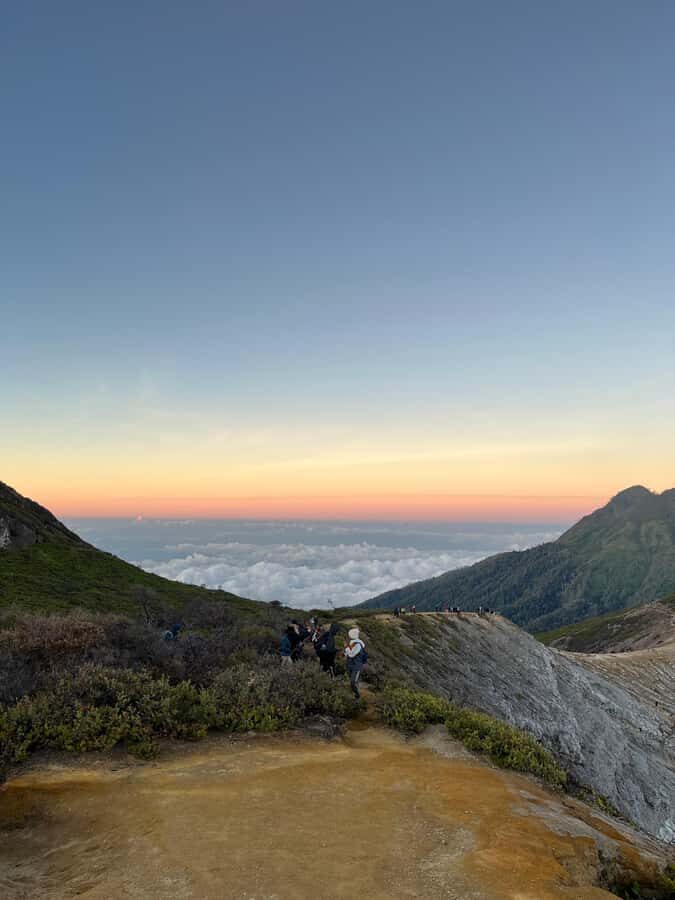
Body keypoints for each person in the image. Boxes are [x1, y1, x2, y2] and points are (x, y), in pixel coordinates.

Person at [344, 627, 367, 698]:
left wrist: (346, 648)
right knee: (352, 680)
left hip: (356, 666)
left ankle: (357, 695)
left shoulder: (358, 644)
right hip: (351, 665)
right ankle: (355, 692)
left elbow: (351, 654)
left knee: (353, 681)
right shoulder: (352, 642)